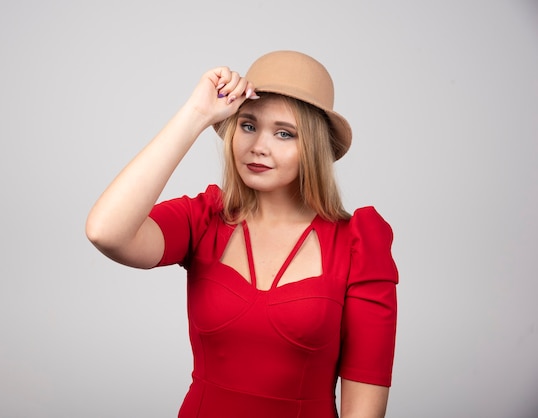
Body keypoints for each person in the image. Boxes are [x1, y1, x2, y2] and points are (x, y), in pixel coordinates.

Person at [85, 50, 398, 418]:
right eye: (248, 125)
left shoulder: (358, 243)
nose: (258, 146)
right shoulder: (204, 219)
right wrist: (196, 116)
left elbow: (364, 408)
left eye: (284, 133)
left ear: (313, 146)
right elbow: (106, 231)